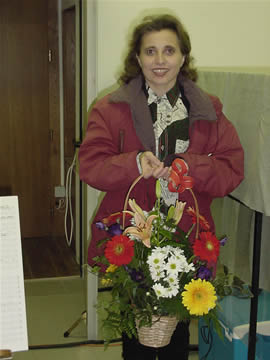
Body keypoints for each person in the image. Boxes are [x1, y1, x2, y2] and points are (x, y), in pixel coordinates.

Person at [79, 13, 244, 360]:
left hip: (186, 238)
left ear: (183, 56)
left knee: (178, 332)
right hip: (131, 238)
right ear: (137, 57)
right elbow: (90, 166)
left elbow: (232, 168)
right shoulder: (110, 109)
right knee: (135, 335)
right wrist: (134, 163)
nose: (159, 60)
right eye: (150, 51)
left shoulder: (209, 109)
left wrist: (192, 167)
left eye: (168, 50)